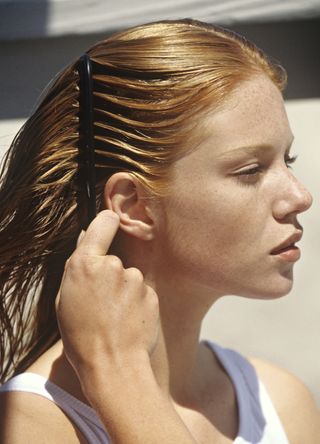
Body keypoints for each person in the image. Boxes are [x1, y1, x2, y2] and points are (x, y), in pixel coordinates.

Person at [0, 18, 319, 444]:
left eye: (288, 161)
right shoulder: (34, 426)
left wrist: (118, 374)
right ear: (133, 205)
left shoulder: (279, 402)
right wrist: (118, 374)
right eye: (250, 170)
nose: (299, 196)